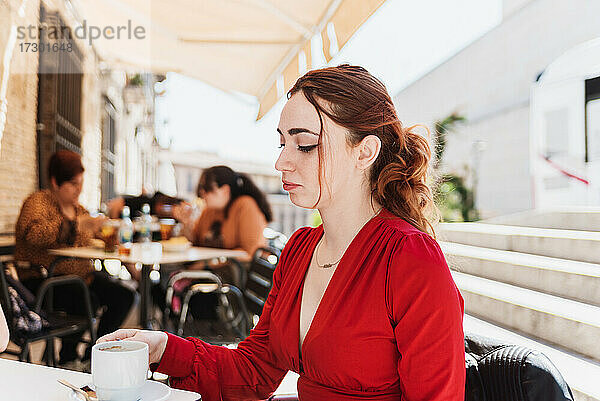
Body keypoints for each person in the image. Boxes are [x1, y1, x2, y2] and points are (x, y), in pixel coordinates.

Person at [99, 65, 465, 400]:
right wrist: (163, 347)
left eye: (305, 144)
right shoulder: (301, 251)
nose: (281, 161)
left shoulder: (410, 258)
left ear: (365, 152)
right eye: (282, 143)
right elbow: (253, 370)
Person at [15, 150, 135, 367]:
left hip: (81, 276)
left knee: (124, 295)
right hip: (43, 279)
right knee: (85, 298)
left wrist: (109, 228)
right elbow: (33, 235)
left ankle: (95, 353)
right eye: (72, 183)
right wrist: (75, 226)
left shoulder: (79, 209)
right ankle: (67, 357)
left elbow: (100, 237)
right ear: (55, 182)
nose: (78, 189)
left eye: (80, 183)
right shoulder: (38, 203)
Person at [173, 165, 272, 258]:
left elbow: (250, 253)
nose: (202, 193)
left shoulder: (245, 205)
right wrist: (186, 222)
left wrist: (208, 263)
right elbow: (195, 243)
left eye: (207, 188)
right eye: (201, 187)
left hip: (236, 273)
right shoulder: (208, 211)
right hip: (209, 272)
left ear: (225, 190)